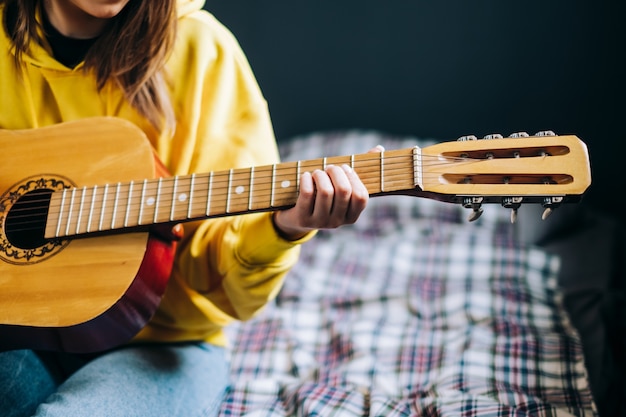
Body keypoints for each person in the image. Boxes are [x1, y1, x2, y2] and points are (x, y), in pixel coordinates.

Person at [0, 1, 375, 416]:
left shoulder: (203, 51)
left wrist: (282, 229)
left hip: (162, 345)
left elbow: (225, 286)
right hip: (21, 334)